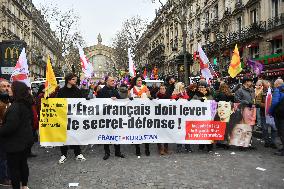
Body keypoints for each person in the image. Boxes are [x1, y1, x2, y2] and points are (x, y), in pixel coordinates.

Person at [0, 81, 34, 189]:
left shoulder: (15, 107)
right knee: (23, 164)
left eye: (10, 87)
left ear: (16, 91)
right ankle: (24, 185)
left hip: (14, 143)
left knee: (13, 168)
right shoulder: (25, 104)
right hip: (24, 141)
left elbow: (10, 127)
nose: (8, 89)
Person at [56, 73, 86, 164]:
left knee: (75, 134)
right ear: (68, 80)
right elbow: (58, 103)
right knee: (63, 136)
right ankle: (63, 154)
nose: (75, 81)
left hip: (74, 117)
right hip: (64, 117)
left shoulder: (77, 90)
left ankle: (78, 153)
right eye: (73, 79)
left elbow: (82, 101)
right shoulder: (61, 91)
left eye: (75, 79)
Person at [97, 76, 125, 160]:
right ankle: (107, 152)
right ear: (107, 82)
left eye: (114, 81)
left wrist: (118, 99)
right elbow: (98, 102)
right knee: (106, 134)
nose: (113, 82)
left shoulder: (115, 90)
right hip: (105, 116)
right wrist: (109, 100)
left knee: (116, 133)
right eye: (112, 81)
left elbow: (120, 102)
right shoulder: (101, 91)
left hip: (114, 116)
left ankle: (117, 152)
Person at [129, 75, 152, 156]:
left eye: (140, 80)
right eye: (138, 80)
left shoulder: (145, 88)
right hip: (136, 113)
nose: (139, 81)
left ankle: (147, 148)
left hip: (145, 113)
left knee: (146, 131)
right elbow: (129, 99)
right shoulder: (132, 89)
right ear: (135, 81)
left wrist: (149, 96)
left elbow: (149, 96)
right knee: (137, 131)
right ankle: (137, 149)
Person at [193, 81, 214, 152]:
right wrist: (199, 100)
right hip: (200, 116)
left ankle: (209, 147)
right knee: (201, 131)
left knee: (208, 132)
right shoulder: (196, 95)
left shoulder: (209, 95)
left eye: (202, 87)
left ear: (206, 88)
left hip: (208, 116)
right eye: (199, 87)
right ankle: (201, 146)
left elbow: (212, 102)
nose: (201, 88)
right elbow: (192, 102)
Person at [171, 82, 192, 153]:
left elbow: (188, 99)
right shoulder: (175, 93)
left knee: (186, 130)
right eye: (182, 87)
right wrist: (178, 96)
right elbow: (172, 100)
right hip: (178, 116)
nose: (183, 88)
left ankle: (187, 146)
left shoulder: (185, 93)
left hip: (185, 115)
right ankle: (179, 146)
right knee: (179, 131)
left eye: (183, 87)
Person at [0, 79, 12, 187]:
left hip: (8, 133)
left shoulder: (8, 100)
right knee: (3, 157)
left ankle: (7, 175)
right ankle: (3, 178)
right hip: (2, 133)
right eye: (4, 86)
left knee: (7, 155)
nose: (6, 88)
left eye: (8, 86)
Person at [260, 80, 277, 149]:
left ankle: (273, 142)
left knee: (274, 128)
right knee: (265, 128)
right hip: (264, 113)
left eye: (266, 84)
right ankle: (266, 141)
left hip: (274, 113)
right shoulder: (261, 92)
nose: (265, 85)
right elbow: (258, 102)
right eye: (263, 84)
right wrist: (266, 105)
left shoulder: (275, 91)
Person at [270, 78, 284, 156]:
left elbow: (275, 102)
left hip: (280, 114)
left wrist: (270, 112)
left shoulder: (278, 90)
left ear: (277, 84)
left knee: (281, 132)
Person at [155, 84, 169, 155]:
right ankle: (160, 148)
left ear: (165, 90)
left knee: (166, 132)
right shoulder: (156, 96)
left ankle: (166, 148)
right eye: (161, 89)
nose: (162, 90)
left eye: (163, 88)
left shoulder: (168, 97)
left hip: (166, 117)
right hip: (158, 117)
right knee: (159, 133)